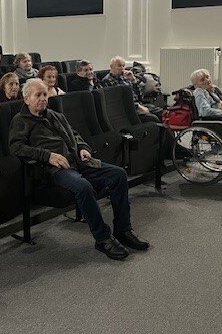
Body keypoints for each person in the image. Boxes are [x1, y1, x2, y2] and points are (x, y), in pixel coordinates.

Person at [9, 78, 149, 260]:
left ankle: (123, 229)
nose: (43, 98)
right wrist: (48, 156)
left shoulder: (56, 115)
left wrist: (83, 148)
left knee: (118, 174)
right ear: (26, 98)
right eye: (38, 95)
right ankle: (103, 238)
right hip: (54, 169)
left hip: (78, 161)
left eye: (45, 94)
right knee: (83, 186)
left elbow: (74, 134)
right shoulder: (20, 121)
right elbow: (16, 147)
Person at [101, 56, 160, 123]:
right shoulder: (107, 80)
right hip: (127, 109)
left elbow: (141, 96)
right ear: (111, 67)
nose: (122, 68)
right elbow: (118, 102)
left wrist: (133, 80)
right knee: (153, 118)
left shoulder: (126, 77)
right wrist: (137, 106)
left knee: (162, 112)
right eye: (119, 66)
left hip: (140, 104)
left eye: (123, 66)